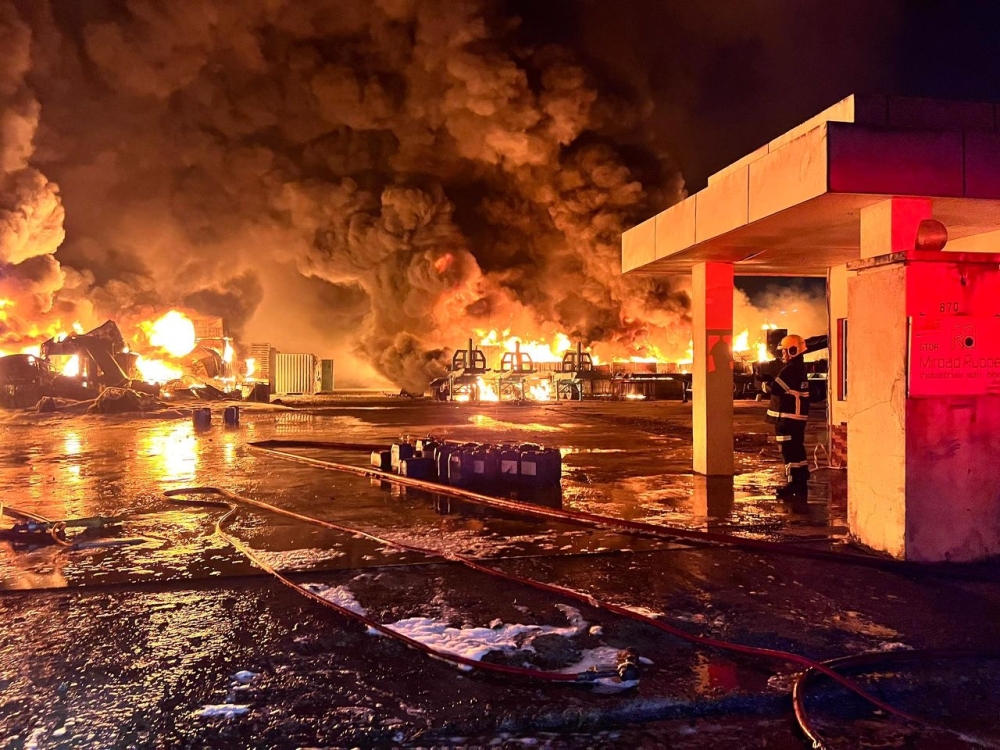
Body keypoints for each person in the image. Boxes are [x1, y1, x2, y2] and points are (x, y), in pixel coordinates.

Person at [759, 334, 811, 499]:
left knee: (788, 451)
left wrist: (761, 382)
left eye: (785, 351)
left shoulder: (791, 369)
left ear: (793, 350)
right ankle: (800, 481)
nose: (783, 355)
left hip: (788, 417)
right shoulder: (798, 368)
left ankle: (793, 483)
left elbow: (775, 389)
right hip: (795, 417)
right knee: (797, 449)